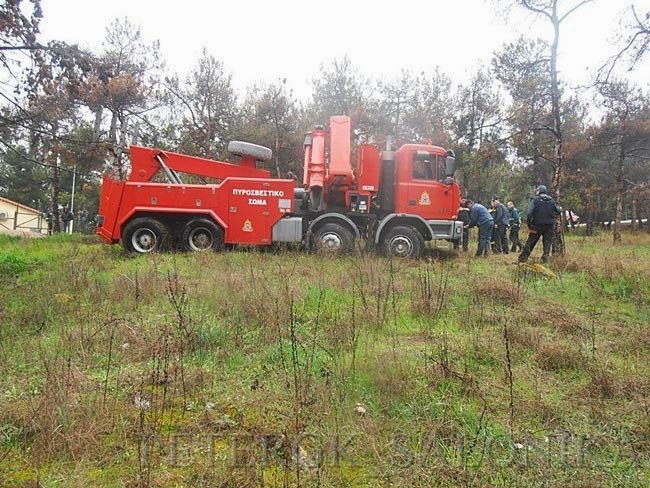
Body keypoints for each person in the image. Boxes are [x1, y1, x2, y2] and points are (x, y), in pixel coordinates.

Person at [518, 185, 562, 264]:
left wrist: (529, 225)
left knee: (530, 243)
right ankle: (544, 260)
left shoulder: (535, 200)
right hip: (549, 226)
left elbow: (529, 213)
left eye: (537, 190)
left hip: (537, 226)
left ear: (539, 191)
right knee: (547, 244)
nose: (536, 191)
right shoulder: (551, 200)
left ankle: (522, 259)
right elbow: (558, 211)